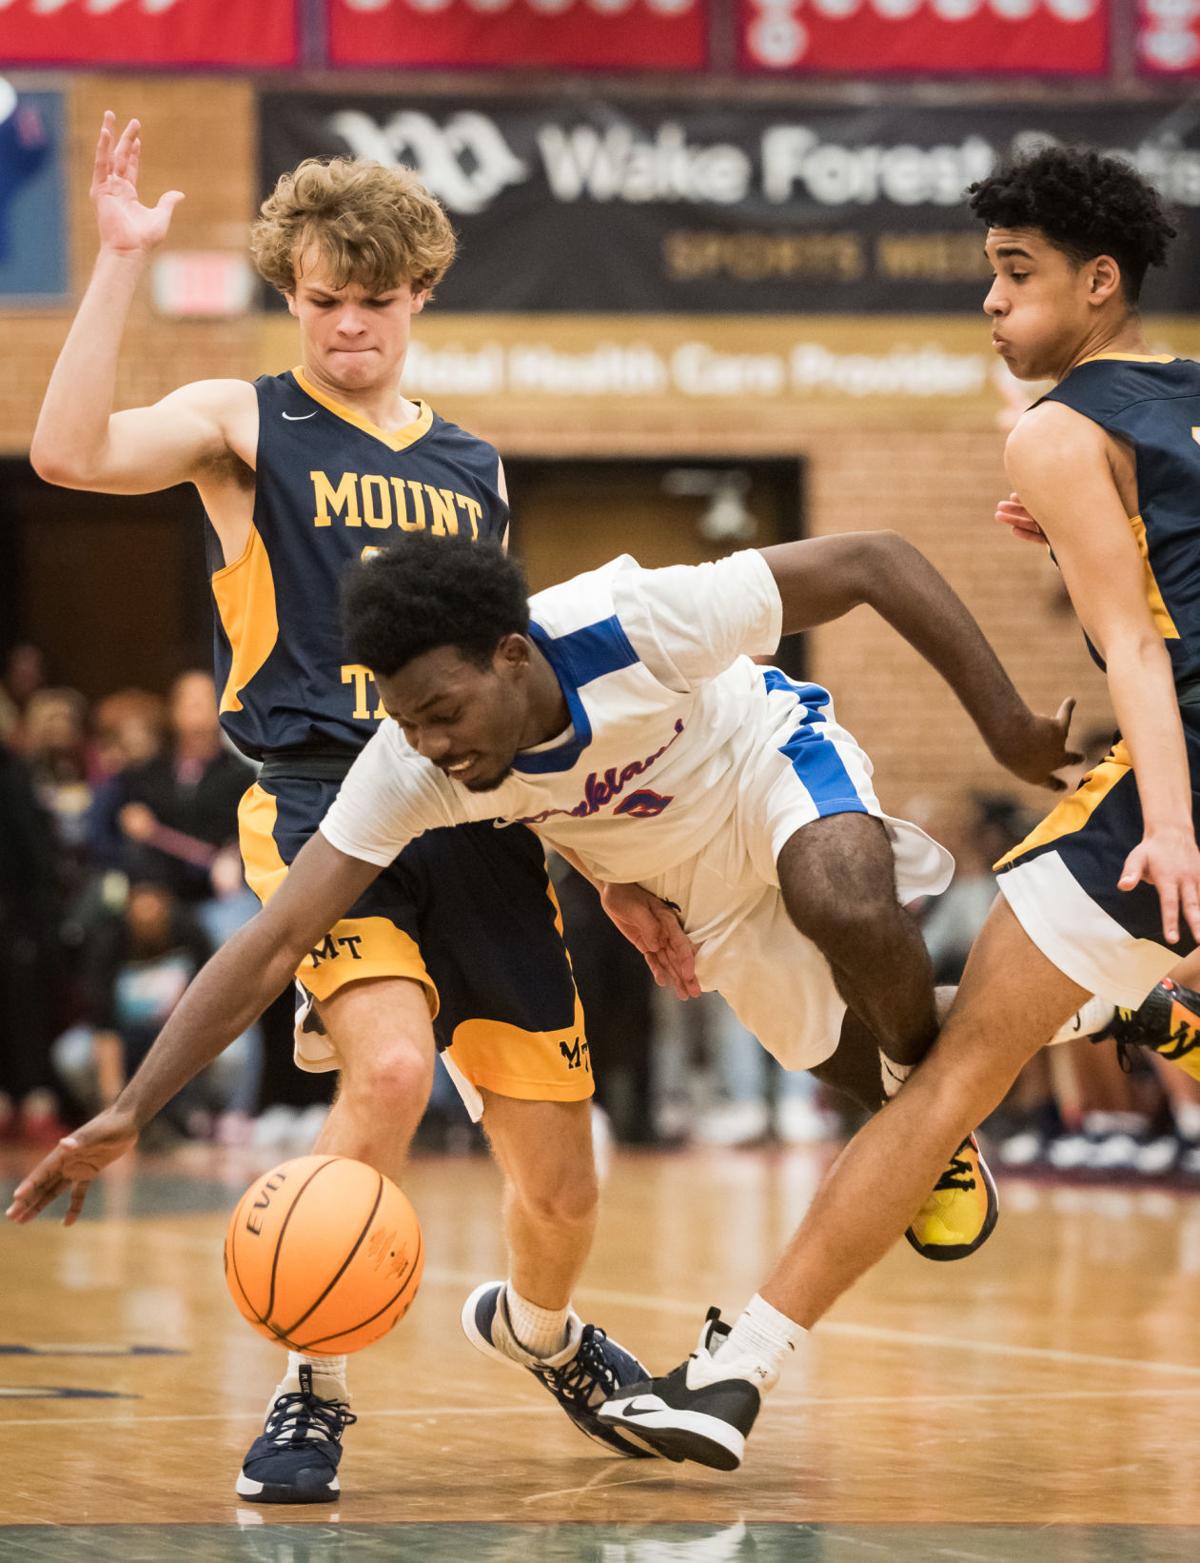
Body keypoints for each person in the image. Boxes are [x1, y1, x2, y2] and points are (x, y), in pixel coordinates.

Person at [10, 524, 1076, 1453]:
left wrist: (1011, 731)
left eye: (443, 711)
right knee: (845, 1059)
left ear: (513, 655)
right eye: (408, 723)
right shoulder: (414, 768)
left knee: (844, 901)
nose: (431, 744)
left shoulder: (632, 620)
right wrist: (130, 1107)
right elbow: (277, 936)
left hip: (765, 765)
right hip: (685, 883)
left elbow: (874, 560)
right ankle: (995, 1062)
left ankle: (922, 1109)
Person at [25, 112, 674, 1502]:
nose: (348, 325)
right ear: (292, 293)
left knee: (562, 1182)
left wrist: (606, 861)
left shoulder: (474, 467)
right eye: (323, 300)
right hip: (324, 799)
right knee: (387, 1071)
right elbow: (68, 454)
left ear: (420, 292)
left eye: (374, 300)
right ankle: (311, 1384)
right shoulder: (245, 420)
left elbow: (513, 700)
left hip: (478, 818)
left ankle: (545, 1334)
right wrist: (121, 260)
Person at [586, 144, 1200, 1469]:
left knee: (940, 1078)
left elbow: (1140, 650)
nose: (992, 300)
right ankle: (1121, 1003)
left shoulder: (1056, 430)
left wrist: (1169, 819)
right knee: (979, 1038)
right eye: (990, 274)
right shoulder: (1180, 399)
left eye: (1017, 274)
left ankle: (734, 1372)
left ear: (1100, 282)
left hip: (1180, 762)